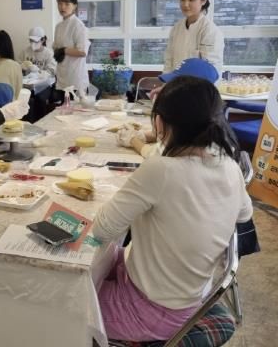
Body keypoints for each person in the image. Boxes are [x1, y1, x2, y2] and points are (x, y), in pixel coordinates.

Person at [93, 76, 253, 342]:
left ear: (159, 123)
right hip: (188, 295)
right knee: (98, 263)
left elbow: (102, 229)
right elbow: (245, 214)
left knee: (62, 302)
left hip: (152, 311)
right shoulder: (229, 166)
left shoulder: (161, 170)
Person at [117, 58, 219, 154]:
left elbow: (161, 153)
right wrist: (145, 136)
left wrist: (134, 141)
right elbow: (173, 135)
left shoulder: (208, 137)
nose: (170, 87)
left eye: (175, 84)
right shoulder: (196, 112)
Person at [164, 0, 224, 76]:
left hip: (201, 84)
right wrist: (166, 82)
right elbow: (169, 61)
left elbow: (210, 70)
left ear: (203, 1)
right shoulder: (176, 28)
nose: (185, 4)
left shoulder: (210, 31)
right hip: (176, 83)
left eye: (191, 0)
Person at [52, 0, 89, 99]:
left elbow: (82, 51)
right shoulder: (58, 26)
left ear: (75, 6)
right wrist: (56, 50)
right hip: (62, 77)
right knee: (62, 109)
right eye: (60, 3)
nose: (62, 7)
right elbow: (56, 47)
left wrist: (63, 50)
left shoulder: (78, 25)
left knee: (76, 109)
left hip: (76, 80)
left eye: (67, 4)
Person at [19, 26, 56, 122]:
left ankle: (40, 122)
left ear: (43, 40)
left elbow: (52, 71)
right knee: (24, 98)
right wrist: (22, 67)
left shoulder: (48, 53)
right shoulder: (25, 52)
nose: (33, 43)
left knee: (40, 99)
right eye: (31, 40)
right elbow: (18, 66)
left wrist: (39, 71)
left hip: (44, 85)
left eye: (35, 41)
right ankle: (27, 122)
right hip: (27, 84)